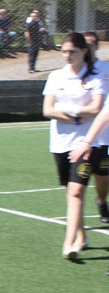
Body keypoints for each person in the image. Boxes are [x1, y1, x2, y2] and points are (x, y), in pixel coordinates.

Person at [42, 32, 106, 259]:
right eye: (64, 52)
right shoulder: (56, 76)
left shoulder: (97, 75)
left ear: (84, 51)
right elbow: (48, 110)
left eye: (72, 51)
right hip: (60, 143)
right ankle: (81, 236)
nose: (67, 56)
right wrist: (78, 115)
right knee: (70, 191)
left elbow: (96, 109)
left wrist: (68, 111)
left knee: (77, 190)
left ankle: (69, 244)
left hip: (87, 143)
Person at [82, 31, 109, 224]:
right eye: (85, 43)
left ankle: (101, 201)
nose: (88, 47)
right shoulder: (75, 71)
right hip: (80, 132)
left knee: (103, 176)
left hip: (104, 132)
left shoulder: (105, 68)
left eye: (92, 43)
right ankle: (77, 218)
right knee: (78, 179)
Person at [25, 9, 46, 74]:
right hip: (32, 41)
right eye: (34, 16)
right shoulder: (29, 24)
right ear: (31, 17)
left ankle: (33, 68)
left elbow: (40, 29)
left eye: (36, 16)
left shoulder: (37, 23)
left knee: (35, 54)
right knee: (31, 55)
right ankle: (31, 69)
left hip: (37, 40)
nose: (35, 17)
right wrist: (29, 40)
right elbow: (27, 32)